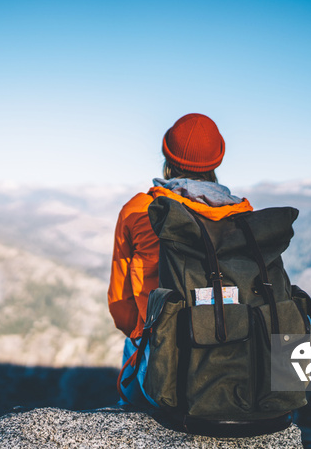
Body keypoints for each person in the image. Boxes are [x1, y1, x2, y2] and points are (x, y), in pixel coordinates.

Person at [107, 113, 253, 406]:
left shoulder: (139, 210)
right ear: (217, 161)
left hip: (162, 363)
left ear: (167, 157)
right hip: (235, 353)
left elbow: (122, 308)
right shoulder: (243, 217)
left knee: (135, 340)